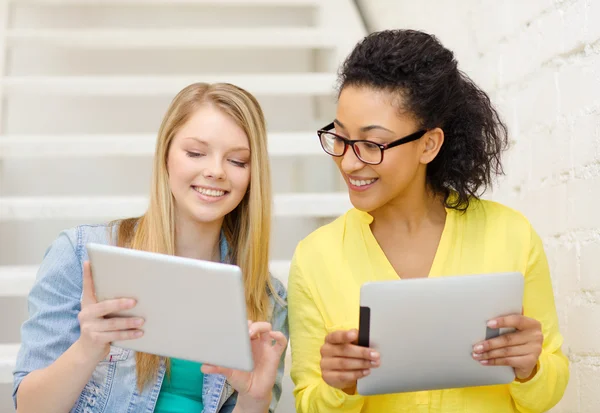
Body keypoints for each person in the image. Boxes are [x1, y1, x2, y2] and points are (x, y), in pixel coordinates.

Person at [288, 30, 568, 413]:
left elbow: (547, 389)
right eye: (340, 138)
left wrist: (530, 368)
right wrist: (342, 386)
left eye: (372, 145)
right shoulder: (315, 257)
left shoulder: (511, 236)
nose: (349, 162)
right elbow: (308, 402)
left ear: (429, 144)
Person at [13, 82, 288, 413]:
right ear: (166, 155)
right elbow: (29, 409)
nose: (215, 171)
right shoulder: (79, 254)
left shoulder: (267, 299)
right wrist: (88, 349)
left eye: (237, 161)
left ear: (252, 175)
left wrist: (254, 401)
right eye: (196, 153)